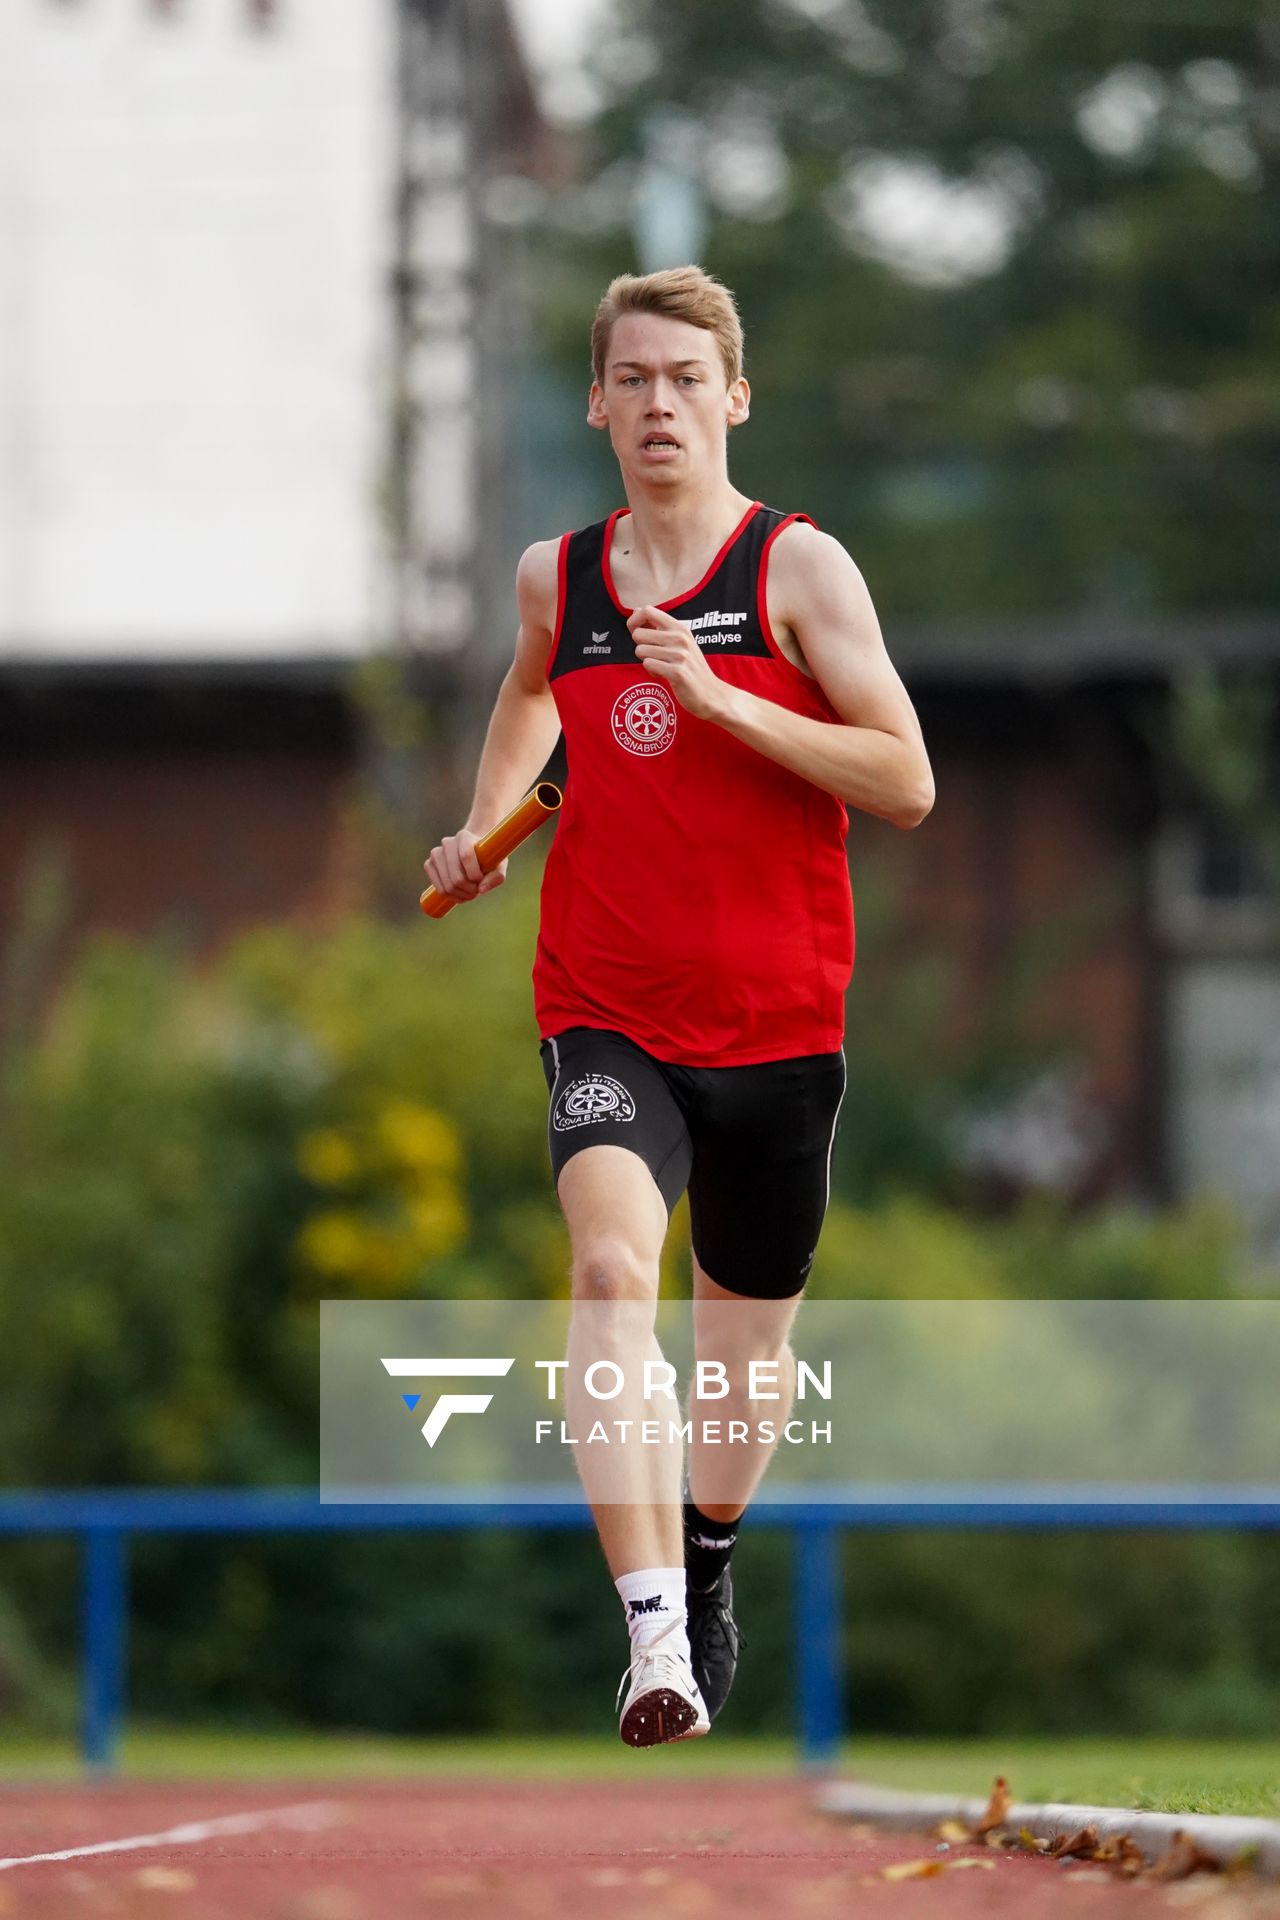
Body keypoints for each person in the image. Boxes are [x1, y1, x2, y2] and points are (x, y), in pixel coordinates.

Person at [424, 265, 934, 1747]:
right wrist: (486, 816)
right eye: (633, 379)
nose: (660, 405)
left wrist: (723, 705)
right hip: (607, 1008)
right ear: (596, 402)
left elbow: (903, 781)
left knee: (744, 1355)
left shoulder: (798, 574)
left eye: (686, 380)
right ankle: (654, 1639)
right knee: (602, 1274)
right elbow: (532, 699)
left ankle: (708, 1557)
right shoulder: (558, 581)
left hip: (779, 1021)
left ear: (735, 398)